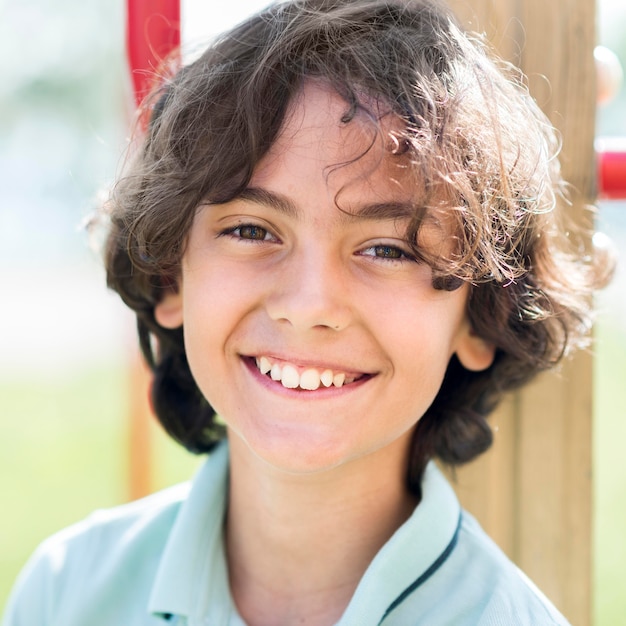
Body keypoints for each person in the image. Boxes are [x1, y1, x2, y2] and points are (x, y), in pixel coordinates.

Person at [3, 0, 608, 624]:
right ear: (169, 274)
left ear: (479, 314)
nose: (309, 306)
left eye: (386, 249)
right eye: (251, 231)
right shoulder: (66, 593)